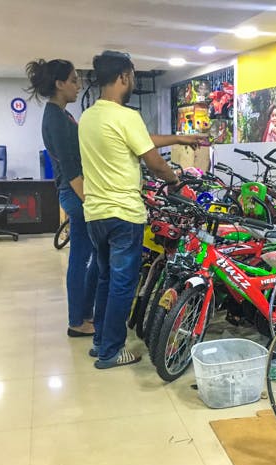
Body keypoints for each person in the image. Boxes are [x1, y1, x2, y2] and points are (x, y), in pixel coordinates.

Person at [78, 50, 204, 369]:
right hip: (124, 214)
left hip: (96, 213)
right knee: (123, 285)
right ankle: (110, 351)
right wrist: (176, 181)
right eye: (132, 75)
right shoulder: (126, 116)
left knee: (107, 279)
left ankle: (100, 342)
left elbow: (141, 139)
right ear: (124, 76)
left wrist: (179, 136)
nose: (132, 81)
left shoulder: (90, 117)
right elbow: (155, 162)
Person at [26, 58, 98, 338]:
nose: (78, 86)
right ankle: (77, 321)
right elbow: (70, 169)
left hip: (75, 193)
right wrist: (90, 203)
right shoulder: (55, 118)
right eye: (73, 80)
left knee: (87, 257)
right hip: (75, 193)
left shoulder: (61, 114)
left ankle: (84, 314)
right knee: (81, 258)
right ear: (59, 84)